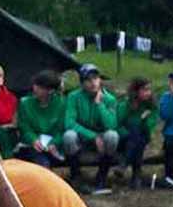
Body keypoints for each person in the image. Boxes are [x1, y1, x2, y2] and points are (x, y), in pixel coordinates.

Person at [63, 64, 120, 194]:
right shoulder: (73, 97)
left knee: (112, 135)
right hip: (82, 137)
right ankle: (76, 175)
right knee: (69, 136)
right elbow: (69, 123)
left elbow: (111, 125)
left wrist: (100, 105)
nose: (93, 83)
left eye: (95, 78)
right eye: (88, 80)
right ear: (82, 83)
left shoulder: (109, 99)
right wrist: (93, 136)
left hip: (102, 139)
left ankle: (102, 176)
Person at [15, 70, 67, 168]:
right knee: (41, 161)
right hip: (32, 146)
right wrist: (33, 140)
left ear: (50, 91)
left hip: (54, 147)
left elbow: (61, 129)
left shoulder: (61, 103)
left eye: (39, 87)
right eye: (35, 85)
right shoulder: (25, 103)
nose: (35, 88)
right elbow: (24, 127)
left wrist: (53, 143)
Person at [117, 76, 158, 189]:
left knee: (138, 136)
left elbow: (150, 126)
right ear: (136, 91)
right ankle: (136, 175)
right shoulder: (125, 105)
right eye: (144, 90)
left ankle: (125, 164)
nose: (148, 93)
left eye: (149, 90)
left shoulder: (151, 106)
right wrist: (140, 119)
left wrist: (142, 120)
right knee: (136, 136)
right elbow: (118, 124)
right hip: (124, 138)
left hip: (142, 136)